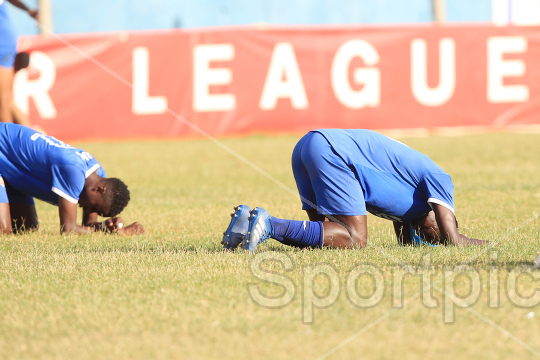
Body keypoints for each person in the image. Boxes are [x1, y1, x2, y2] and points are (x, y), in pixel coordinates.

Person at [222, 129, 488, 252]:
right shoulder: (439, 178)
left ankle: (247, 222)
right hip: (333, 152)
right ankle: (268, 225)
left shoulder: (408, 209)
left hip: (309, 145)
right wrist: (486, 243)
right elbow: (453, 240)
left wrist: (419, 239)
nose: (431, 236)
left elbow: (409, 241)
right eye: (435, 233)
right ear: (441, 215)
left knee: (329, 239)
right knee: (355, 239)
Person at [0, 122, 144, 235]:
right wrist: (109, 232)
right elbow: (68, 229)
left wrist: (108, 227)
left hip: (11, 169)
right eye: (94, 207)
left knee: (26, 228)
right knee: (3, 228)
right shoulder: (73, 171)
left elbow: (87, 226)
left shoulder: (98, 176)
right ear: (99, 189)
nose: (88, 209)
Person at [0, 0, 38, 124]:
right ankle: (33, 133)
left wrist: (27, 10)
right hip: (6, 37)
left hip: (3, 38)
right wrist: (28, 10)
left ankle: (7, 141)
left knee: (3, 99)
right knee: (5, 98)